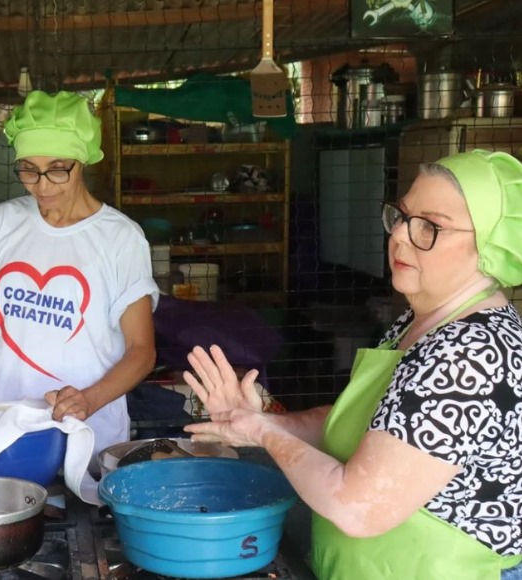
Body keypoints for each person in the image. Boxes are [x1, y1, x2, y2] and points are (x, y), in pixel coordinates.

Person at [184, 149, 522, 580]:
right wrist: (261, 419)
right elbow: (364, 425)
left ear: (490, 244)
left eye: (430, 227)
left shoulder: (469, 354)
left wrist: (261, 433)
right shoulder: (420, 322)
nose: (400, 236)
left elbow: (358, 507)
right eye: (401, 217)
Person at [0, 90, 158, 456]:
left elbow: (141, 351)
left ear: (82, 160)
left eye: (57, 169)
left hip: (86, 433)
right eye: (28, 169)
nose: (41, 186)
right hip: (3, 430)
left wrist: (89, 399)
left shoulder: (120, 238)